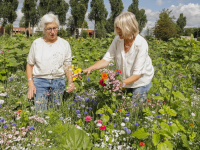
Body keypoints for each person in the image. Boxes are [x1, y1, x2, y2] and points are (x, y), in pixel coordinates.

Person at [83, 12, 154, 104]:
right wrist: (90, 68)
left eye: (120, 28)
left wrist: (118, 84)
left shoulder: (141, 44)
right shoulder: (118, 39)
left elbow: (137, 75)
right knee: (123, 106)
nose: (117, 31)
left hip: (140, 81)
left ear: (130, 27)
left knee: (134, 110)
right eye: (116, 27)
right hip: (124, 80)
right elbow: (106, 60)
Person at [26, 12, 75, 111]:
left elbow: (67, 65)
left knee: (55, 111)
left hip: (58, 81)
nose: (52, 31)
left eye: (55, 28)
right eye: (49, 29)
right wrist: (30, 84)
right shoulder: (37, 43)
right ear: (44, 30)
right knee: (40, 111)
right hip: (40, 81)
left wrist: (70, 81)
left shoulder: (64, 44)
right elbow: (30, 65)